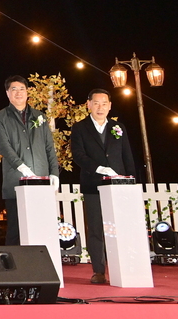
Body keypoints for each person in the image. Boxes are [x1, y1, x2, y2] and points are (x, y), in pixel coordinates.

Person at [70, 88, 136, 284]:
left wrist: (131, 179)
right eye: (96, 103)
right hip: (93, 185)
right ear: (88, 104)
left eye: (104, 103)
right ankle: (98, 270)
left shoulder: (118, 127)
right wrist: (99, 168)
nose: (100, 107)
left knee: (121, 227)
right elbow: (78, 156)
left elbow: (127, 156)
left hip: (118, 186)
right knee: (97, 229)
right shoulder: (80, 128)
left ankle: (124, 267)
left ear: (110, 106)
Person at [0, 75, 59, 245]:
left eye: (22, 89)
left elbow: (49, 147)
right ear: (7, 93)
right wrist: (21, 166)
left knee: (41, 227)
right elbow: (3, 146)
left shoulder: (39, 116)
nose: (18, 93)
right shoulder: (1, 117)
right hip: (15, 180)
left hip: (40, 181)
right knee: (15, 228)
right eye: (13, 89)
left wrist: (54, 173)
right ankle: (13, 268)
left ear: (28, 92)